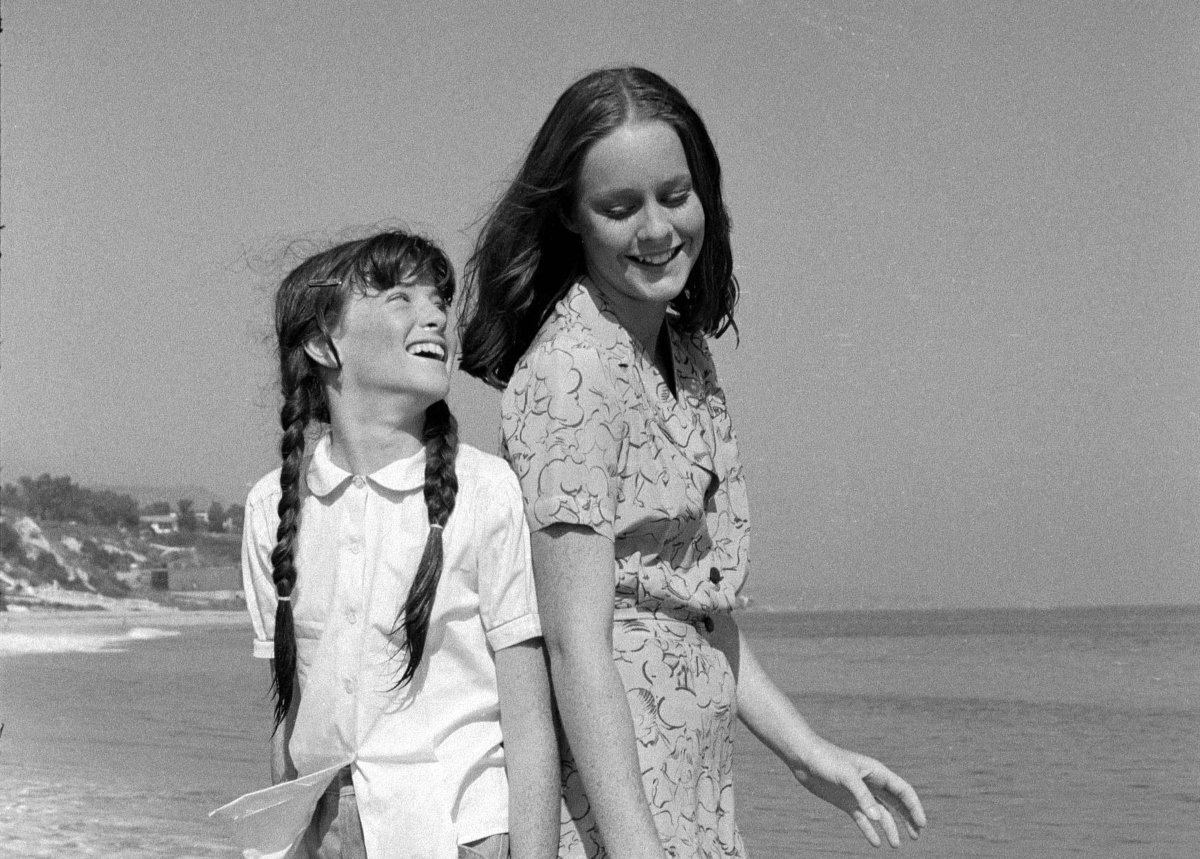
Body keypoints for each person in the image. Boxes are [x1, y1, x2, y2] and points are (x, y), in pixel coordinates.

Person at [458, 68, 928, 858]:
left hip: (692, 776)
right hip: (612, 798)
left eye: (674, 196)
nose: (655, 229)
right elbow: (575, 645)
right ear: (570, 217)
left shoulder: (685, 351)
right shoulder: (573, 370)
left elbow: (693, 608)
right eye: (619, 208)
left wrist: (810, 754)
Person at [239, 230, 559, 859]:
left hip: (460, 832)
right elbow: (289, 712)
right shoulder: (268, 508)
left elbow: (529, 721)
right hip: (327, 832)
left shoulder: (486, 490)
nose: (435, 315)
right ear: (322, 342)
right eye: (399, 297)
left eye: (439, 299)